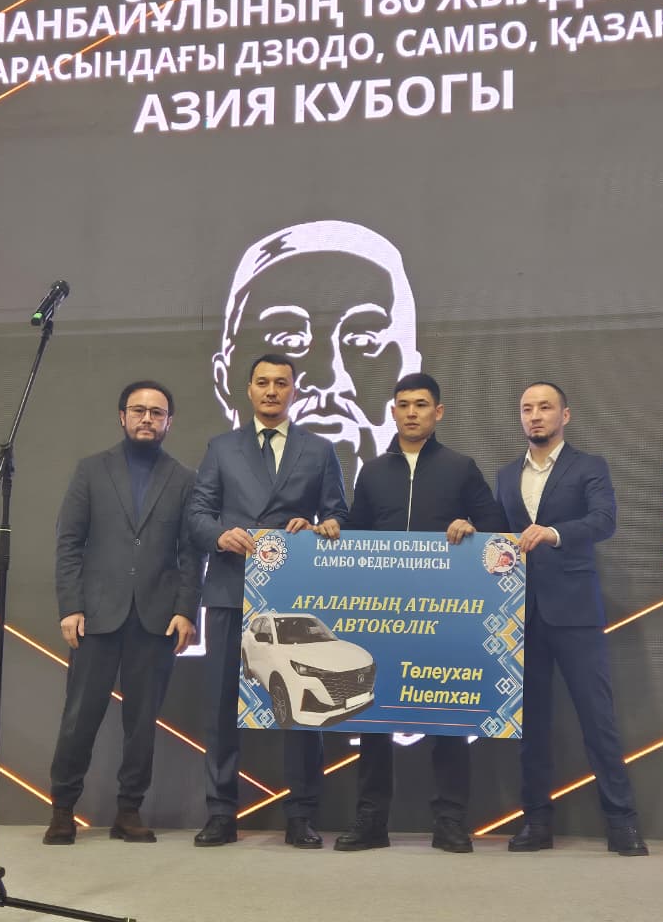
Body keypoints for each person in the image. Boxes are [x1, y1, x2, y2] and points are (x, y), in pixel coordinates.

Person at [334, 373, 508, 855]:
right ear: (393, 411)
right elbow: (355, 532)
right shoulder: (372, 472)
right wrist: (330, 528)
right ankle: (371, 821)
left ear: (438, 412)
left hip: (445, 614)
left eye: (421, 404)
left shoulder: (460, 467)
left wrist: (470, 526)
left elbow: (497, 527)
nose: (411, 412)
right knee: (372, 718)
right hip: (380, 614)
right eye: (404, 404)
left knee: (447, 718)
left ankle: (450, 822)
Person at [188, 353, 347, 848]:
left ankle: (301, 814)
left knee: (302, 701)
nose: (272, 390)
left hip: (293, 596)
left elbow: (339, 514)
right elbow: (197, 514)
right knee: (221, 707)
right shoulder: (221, 447)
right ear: (249, 390)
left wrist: (321, 527)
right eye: (263, 382)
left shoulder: (319, 450)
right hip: (230, 589)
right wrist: (220, 536)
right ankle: (221, 813)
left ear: (294, 390)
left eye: (281, 383)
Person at [41, 381, 202, 845]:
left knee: (141, 723)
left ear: (169, 422)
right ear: (122, 416)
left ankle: (129, 811)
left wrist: (186, 610)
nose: (147, 418)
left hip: (156, 618)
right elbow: (69, 542)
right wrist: (70, 606)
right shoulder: (91, 470)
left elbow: (191, 554)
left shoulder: (184, 478)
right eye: (138, 410)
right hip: (95, 616)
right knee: (79, 718)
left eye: (157, 412)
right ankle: (62, 810)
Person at [495, 381, 648, 856]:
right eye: (527, 408)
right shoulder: (505, 475)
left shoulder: (589, 467)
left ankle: (622, 824)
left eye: (545, 407)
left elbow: (605, 521)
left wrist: (554, 533)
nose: (535, 415)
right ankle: (536, 822)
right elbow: (497, 535)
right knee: (533, 725)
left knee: (597, 719)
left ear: (565, 415)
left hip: (576, 611)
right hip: (521, 614)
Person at [211, 221, 422, 488]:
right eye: (288, 339)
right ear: (225, 379)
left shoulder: (432, 487)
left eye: (362, 340)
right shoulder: (213, 474)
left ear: (410, 373)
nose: (328, 378)